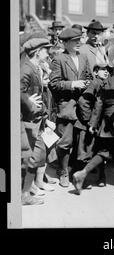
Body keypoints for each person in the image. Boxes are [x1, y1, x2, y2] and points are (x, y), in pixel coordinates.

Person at [73, 28, 114, 195]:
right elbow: (100, 98)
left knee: (109, 150)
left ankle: (83, 173)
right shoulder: (113, 58)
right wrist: (94, 121)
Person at [49, 27, 93, 187]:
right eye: (75, 41)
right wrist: (73, 84)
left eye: (79, 40)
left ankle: (75, 170)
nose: (78, 43)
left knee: (79, 141)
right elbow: (53, 84)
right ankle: (63, 172)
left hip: (82, 107)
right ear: (66, 43)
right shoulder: (59, 59)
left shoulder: (83, 57)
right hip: (67, 107)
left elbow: (88, 76)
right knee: (65, 141)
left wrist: (88, 83)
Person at [20, 36, 54, 205]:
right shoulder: (26, 68)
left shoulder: (33, 67)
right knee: (29, 159)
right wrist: (30, 102)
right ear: (37, 52)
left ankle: (27, 191)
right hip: (28, 120)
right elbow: (18, 91)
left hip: (37, 120)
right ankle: (24, 194)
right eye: (45, 50)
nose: (48, 53)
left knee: (36, 157)